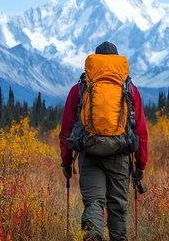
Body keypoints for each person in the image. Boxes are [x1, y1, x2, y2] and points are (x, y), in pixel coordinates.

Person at [59, 41, 148, 241]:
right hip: (119, 155)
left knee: (93, 202)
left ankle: (93, 234)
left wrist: (66, 162)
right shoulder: (130, 89)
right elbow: (141, 131)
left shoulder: (79, 89)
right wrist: (140, 165)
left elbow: (66, 130)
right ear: (117, 61)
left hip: (89, 153)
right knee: (117, 206)